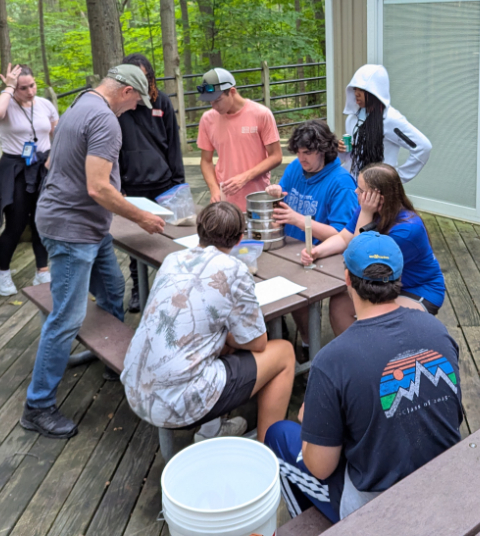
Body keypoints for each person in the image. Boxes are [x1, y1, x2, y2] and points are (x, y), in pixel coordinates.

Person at [265, 231, 462, 524]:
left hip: (379, 512)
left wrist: (315, 421)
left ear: (347, 279)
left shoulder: (332, 360)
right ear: (399, 279)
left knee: (278, 435)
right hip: (443, 481)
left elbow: (319, 467)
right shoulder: (438, 331)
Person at [21, 65, 166, 439]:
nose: (133, 110)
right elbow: (99, 188)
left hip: (84, 224)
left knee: (112, 288)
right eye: (136, 102)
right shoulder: (106, 120)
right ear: (125, 91)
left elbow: (53, 163)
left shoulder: (80, 104)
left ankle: (108, 359)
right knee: (66, 319)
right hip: (73, 229)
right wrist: (142, 218)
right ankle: (38, 406)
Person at [122, 202, 296, 443]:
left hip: (135, 387)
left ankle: (212, 429)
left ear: (199, 231)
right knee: (285, 352)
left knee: (218, 337)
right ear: (239, 239)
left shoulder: (173, 259)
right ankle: (270, 448)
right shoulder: (235, 269)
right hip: (178, 404)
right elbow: (257, 342)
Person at [303, 163, 447, 335]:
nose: (356, 192)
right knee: (339, 305)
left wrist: (365, 213)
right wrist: (317, 251)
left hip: (416, 290)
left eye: (361, 190)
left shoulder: (408, 229)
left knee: (376, 317)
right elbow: (343, 238)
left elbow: (358, 259)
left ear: (379, 197)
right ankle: (357, 355)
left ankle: (375, 354)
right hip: (385, 284)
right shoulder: (367, 210)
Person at [265, 119, 357, 349]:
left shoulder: (341, 183)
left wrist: (299, 220)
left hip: (322, 258)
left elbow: (341, 234)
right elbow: (283, 199)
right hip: (288, 248)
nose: (301, 158)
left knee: (298, 298)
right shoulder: (296, 167)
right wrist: (276, 193)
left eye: (307, 152)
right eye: (298, 152)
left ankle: (308, 346)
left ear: (324, 150)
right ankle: (303, 340)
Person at [118, 52, 185, 313]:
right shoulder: (120, 106)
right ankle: (138, 289)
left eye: (145, 78)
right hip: (132, 185)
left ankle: (171, 289)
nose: (142, 83)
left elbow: (174, 146)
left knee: (170, 240)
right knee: (137, 241)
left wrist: (178, 183)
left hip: (164, 183)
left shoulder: (162, 102)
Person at [0, 64, 59, 297]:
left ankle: (43, 269)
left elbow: (55, 134)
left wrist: (53, 160)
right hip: (16, 169)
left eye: (33, 85)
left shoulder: (45, 105)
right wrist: (8, 87)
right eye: (23, 88)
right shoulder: (3, 104)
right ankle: (3, 272)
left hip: (43, 167)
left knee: (42, 219)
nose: (30, 91)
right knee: (16, 224)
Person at [196, 67, 282, 211]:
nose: (214, 106)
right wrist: (214, 189)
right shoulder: (207, 119)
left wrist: (244, 177)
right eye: (210, 102)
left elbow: (276, 156)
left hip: (257, 197)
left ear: (232, 91)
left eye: (217, 100)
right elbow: (206, 160)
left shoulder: (261, 114)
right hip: (225, 199)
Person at [339, 64, 431, 183]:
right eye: (355, 88)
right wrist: (342, 151)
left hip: (377, 190)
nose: (356, 93)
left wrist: (395, 179)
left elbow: (423, 147)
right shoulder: (353, 119)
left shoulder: (390, 119)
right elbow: (352, 158)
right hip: (354, 187)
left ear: (375, 90)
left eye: (361, 89)